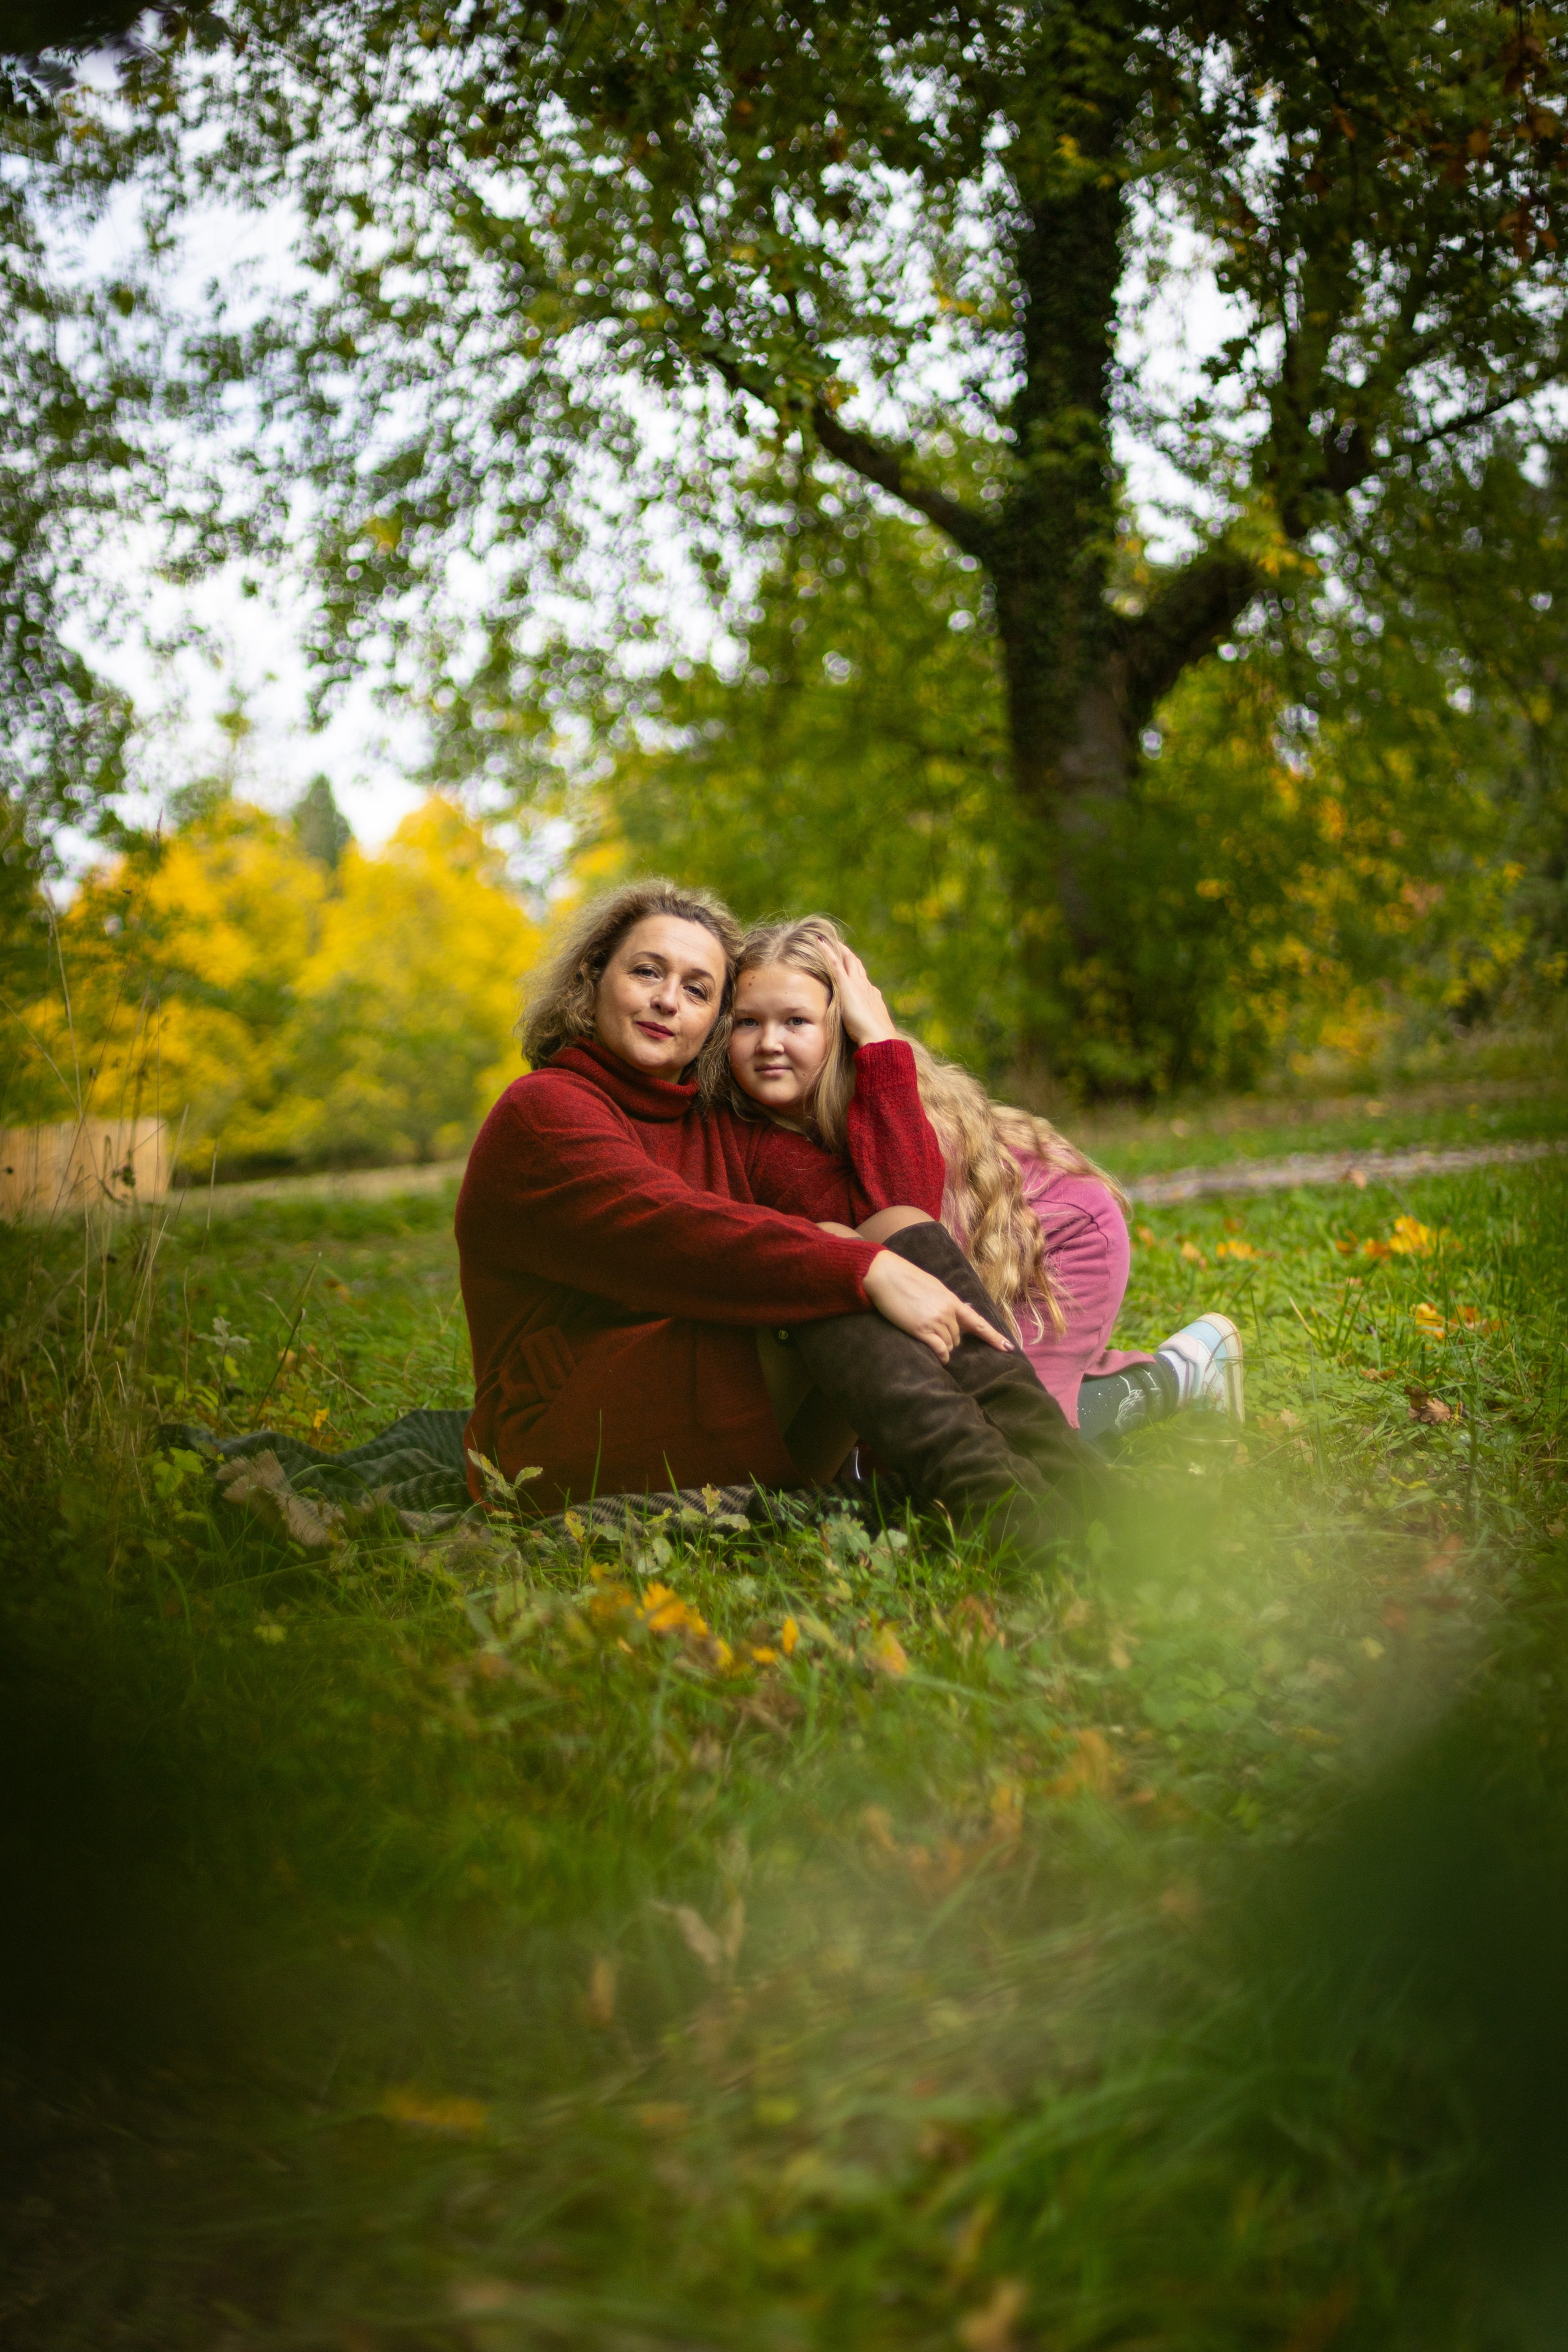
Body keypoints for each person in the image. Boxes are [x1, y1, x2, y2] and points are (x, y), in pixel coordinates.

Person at [454, 878, 1102, 1550]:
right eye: (646, 971)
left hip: (706, 1411)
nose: (667, 1000)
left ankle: (1074, 1487)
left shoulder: (712, 1124)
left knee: (870, 1240)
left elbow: (900, 1216)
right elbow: (675, 1235)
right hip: (552, 1443)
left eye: (699, 989)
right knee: (831, 1260)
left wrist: (878, 1044)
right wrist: (861, 1268)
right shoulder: (542, 1114)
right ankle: (1010, 1519)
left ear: (712, 1020)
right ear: (591, 981)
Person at [725, 916, 1243, 1447]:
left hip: (1058, 1242)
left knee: (1018, 1432)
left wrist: (879, 1041)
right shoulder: (746, 1126)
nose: (769, 1042)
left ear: (841, 1030)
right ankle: (1079, 1375)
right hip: (977, 1258)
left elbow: (910, 1232)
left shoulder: (890, 1100)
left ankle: (1181, 1372)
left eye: (796, 1022)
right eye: (748, 1023)